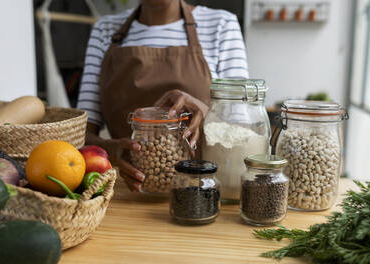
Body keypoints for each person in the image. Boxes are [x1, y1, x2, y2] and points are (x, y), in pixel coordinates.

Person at [78, 0, 249, 191]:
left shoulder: (221, 25)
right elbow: (80, 134)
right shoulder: (105, 29)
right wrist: (114, 151)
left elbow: (243, 130)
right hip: (128, 190)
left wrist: (207, 112)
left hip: (204, 189)